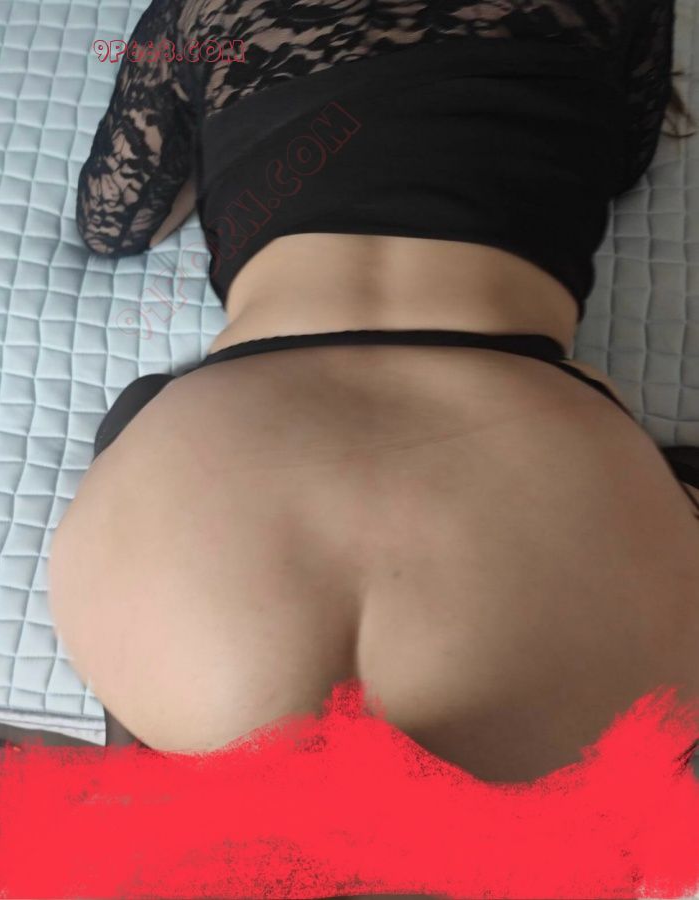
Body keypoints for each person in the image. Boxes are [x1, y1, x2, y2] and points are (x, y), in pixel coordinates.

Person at [47, 0, 699, 794]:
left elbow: (114, 223)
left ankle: (154, 770)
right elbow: (627, 158)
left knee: (144, 411)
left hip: (226, 490)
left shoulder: (201, 8)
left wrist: (213, 137)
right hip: (530, 438)